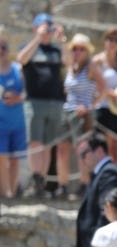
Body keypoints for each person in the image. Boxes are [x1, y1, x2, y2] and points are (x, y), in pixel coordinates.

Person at [17, 13, 66, 198]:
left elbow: (69, 62)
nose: (47, 31)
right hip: (35, 101)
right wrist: (37, 38)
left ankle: (43, 181)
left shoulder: (56, 49)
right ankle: (35, 177)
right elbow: (21, 59)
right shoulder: (29, 47)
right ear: (35, 27)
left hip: (55, 101)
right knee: (35, 142)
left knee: (48, 144)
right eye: (43, 26)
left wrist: (62, 40)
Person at [61, 33, 106, 199]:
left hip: (82, 114)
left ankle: (84, 184)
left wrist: (89, 106)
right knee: (62, 150)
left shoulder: (91, 67)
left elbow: (104, 88)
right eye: (75, 49)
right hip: (67, 112)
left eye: (81, 49)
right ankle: (63, 185)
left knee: (82, 150)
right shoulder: (70, 67)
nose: (78, 52)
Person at [92, 27, 117, 169]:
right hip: (104, 109)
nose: (113, 43)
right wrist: (115, 95)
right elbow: (96, 85)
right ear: (105, 41)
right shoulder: (97, 61)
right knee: (105, 149)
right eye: (110, 39)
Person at [0, 26, 27, 198]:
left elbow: (27, 92)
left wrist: (18, 98)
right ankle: (5, 192)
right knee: (2, 158)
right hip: (1, 121)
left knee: (16, 158)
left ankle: (13, 190)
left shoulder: (18, 69)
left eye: (3, 47)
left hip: (18, 120)